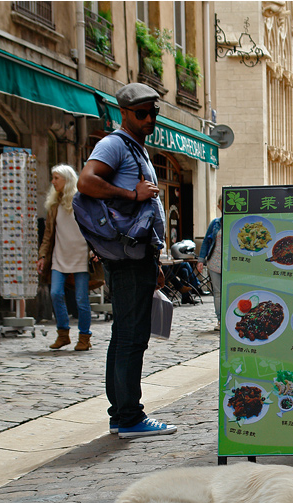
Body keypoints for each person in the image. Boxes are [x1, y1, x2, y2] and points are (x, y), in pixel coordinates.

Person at [77, 82, 176, 439]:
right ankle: (130, 416)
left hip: (138, 257)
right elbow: (86, 182)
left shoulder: (136, 148)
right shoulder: (115, 144)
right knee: (131, 338)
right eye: (142, 113)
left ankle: (121, 415)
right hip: (127, 258)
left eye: (154, 112)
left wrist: (157, 261)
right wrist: (130, 193)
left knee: (125, 336)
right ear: (124, 113)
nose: (149, 118)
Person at [37, 164, 99, 351]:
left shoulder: (82, 201)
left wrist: (96, 249)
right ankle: (63, 333)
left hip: (80, 256)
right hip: (59, 256)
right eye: (53, 177)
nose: (53, 182)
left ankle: (84, 337)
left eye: (57, 178)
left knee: (81, 299)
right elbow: (48, 235)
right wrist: (42, 256)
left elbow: (93, 227)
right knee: (55, 293)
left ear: (67, 180)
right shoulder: (54, 205)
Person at [198, 196, 223, 329]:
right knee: (218, 292)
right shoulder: (215, 223)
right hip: (214, 262)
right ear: (218, 206)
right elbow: (206, 241)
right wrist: (201, 260)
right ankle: (220, 320)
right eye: (221, 204)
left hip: (232, 264)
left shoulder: (238, 222)